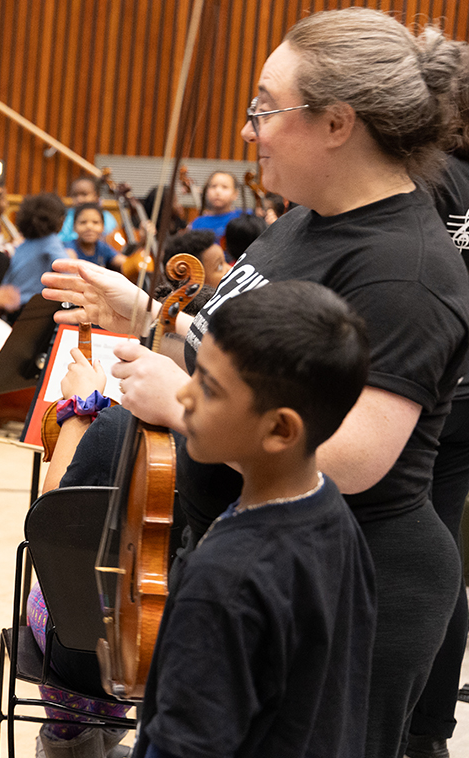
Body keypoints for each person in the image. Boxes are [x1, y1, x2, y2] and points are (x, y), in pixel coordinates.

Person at [41, 10, 469, 758]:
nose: (250, 130)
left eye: (265, 108)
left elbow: (356, 454)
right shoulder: (305, 220)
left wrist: (179, 400)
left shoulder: (407, 269)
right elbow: (245, 357)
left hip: (345, 586)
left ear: (337, 122)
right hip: (253, 559)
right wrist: (145, 312)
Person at [135, 281, 376, 757]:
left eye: (208, 387)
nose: (183, 395)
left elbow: (186, 744)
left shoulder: (226, 580)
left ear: (280, 429)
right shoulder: (332, 513)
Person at [408, 42, 469, 758]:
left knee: (411, 552)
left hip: (428, 386)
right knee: (443, 553)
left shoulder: (428, 178)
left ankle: (409, 722)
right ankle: (430, 734)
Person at [0, 192, 67, 322]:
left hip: (9, 307)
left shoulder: (24, 244)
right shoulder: (51, 241)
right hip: (31, 308)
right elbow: (68, 269)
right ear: (60, 221)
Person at [59, 176, 118, 246]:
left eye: (84, 194)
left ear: (96, 196)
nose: (79, 199)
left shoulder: (106, 217)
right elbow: (60, 238)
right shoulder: (68, 215)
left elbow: (110, 238)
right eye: (75, 195)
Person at [187, 171, 243, 242]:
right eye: (213, 186)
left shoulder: (243, 218)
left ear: (235, 194)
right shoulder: (198, 223)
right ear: (207, 191)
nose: (218, 191)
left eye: (225, 187)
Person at [68, 202, 116, 268]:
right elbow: (71, 266)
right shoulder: (69, 248)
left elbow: (121, 261)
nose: (89, 227)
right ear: (74, 227)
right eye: (83, 222)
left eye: (95, 222)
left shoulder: (103, 247)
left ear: (103, 227)